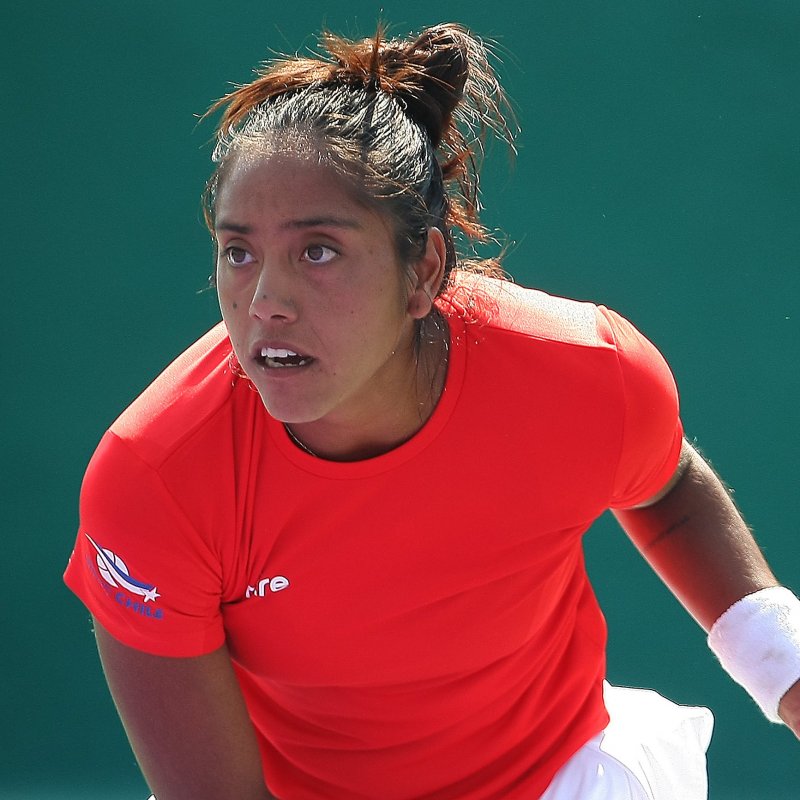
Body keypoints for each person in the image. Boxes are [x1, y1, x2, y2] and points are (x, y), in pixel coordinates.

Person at [64, 22, 800, 800]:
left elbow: (667, 489)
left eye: (318, 251)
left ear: (423, 271)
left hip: (567, 776)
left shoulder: (587, 373)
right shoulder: (153, 483)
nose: (265, 302)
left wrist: (783, 669)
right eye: (238, 252)